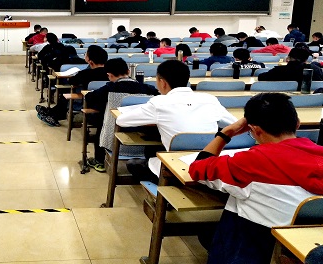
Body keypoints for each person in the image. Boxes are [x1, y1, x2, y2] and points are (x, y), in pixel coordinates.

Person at [188, 93, 323, 264]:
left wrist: (225, 133)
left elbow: (198, 168)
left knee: (236, 202)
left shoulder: (250, 163)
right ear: (297, 123)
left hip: (261, 247)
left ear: (255, 130)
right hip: (310, 247)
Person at [116, 60, 236, 179]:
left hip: (178, 166)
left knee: (134, 164)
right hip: (211, 162)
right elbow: (234, 123)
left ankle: (165, 186)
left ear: (162, 82)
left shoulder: (159, 103)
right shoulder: (210, 99)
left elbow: (121, 121)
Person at [84, 58, 159, 172]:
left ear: (109, 75)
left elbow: (90, 98)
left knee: (102, 121)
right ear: (128, 71)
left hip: (113, 143)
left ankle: (99, 161)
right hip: (144, 145)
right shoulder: (148, 89)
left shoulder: (110, 88)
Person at [36, 44, 108, 127]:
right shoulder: (111, 73)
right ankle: (51, 112)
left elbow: (72, 81)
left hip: (87, 102)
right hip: (106, 102)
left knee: (69, 94)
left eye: (86, 54)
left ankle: (52, 114)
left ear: (90, 60)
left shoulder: (85, 73)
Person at [258, 47, 323, 89]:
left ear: (288, 58)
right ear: (306, 59)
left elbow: (261, 77)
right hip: (310, 101)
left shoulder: (278, 71)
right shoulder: (316, 70)